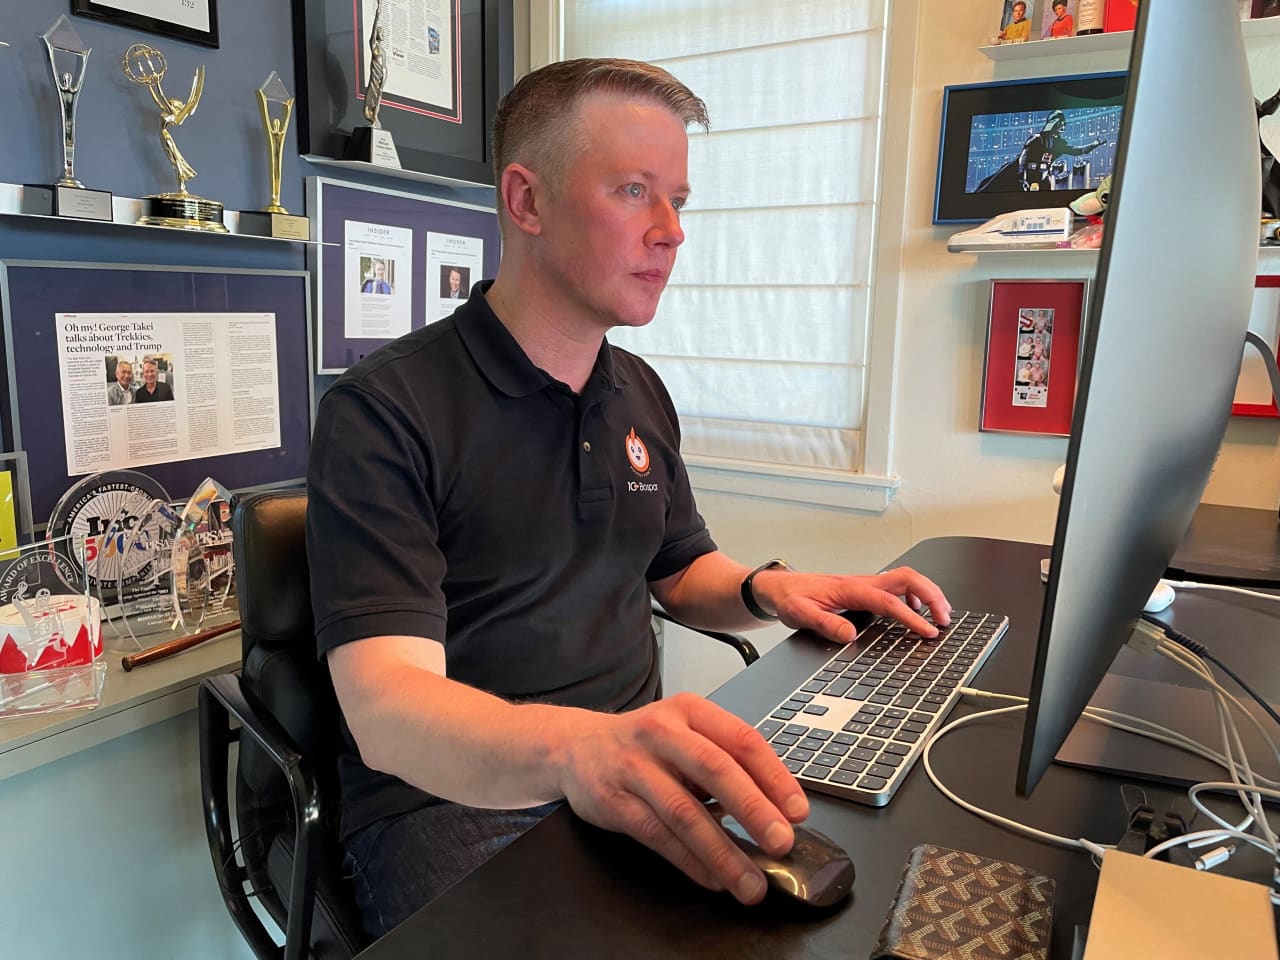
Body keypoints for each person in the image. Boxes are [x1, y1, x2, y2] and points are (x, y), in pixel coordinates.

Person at [306, 57, 953, 941]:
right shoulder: (384, 411)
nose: (671, 231)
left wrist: (773, 588)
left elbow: (679, 568)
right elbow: (387, 709)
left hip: (629, 760)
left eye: (677, 200)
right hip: (451, 801)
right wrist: (580, 748)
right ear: (527, 201)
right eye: (634, 190)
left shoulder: (638, 390)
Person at [976, 109, 1106, 193]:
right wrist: (1022, 178)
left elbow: (1077, 151)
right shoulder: (1036, 139)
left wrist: (1095, 144)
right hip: (1016, 173)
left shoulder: (1059, 143)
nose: (1063, 127)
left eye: (1064, 124)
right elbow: (1023, 160)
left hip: (1041, 176)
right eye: (1060, 123)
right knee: (988, 188)